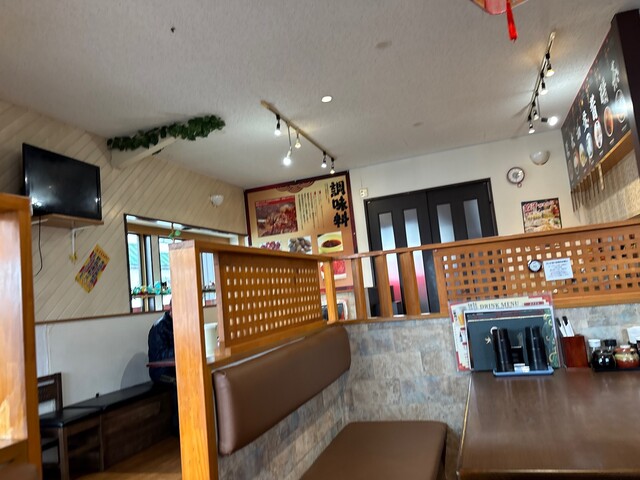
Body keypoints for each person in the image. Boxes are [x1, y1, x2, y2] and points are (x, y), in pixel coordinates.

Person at [148, 303, 179, 435]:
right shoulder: (159, 327)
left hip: (175, 368)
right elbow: (159, 357)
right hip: (160, 372)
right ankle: (178, 426)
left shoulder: (179, 324)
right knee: (178, 383)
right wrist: (180, 348)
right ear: (171, 308)